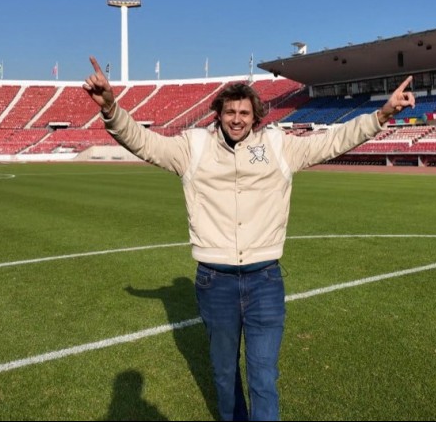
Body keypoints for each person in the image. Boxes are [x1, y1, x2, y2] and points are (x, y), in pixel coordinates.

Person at [83, 56, 415, 421]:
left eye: (244, 112)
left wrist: (382, 114)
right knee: (225, 377)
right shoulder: (192, 147)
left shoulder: (278, 147)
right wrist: (112, 108)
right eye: (230, 112)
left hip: (264, 281)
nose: (237, 118)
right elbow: (144, 142)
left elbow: (334, 140)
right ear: (219, 114)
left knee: (263, 377)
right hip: (215, 283)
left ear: (256, 116)